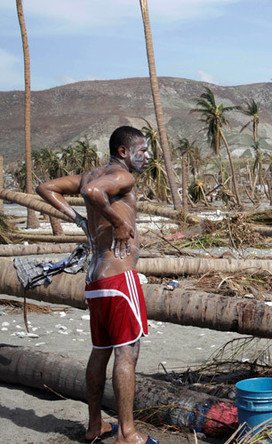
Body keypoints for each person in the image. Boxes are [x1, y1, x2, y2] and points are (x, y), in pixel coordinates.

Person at [37, 126, 158, 444]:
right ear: (123, 151)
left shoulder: (89, 175)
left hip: (95, 279)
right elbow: (93, 195)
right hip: (119, 278)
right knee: (127, 354)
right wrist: (119, 222)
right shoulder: (123, 177)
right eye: (142, 150)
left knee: (101, 351)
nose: (147, 157)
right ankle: (127, 433)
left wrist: (76, 218)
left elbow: (46, 187)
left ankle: (95, 426)